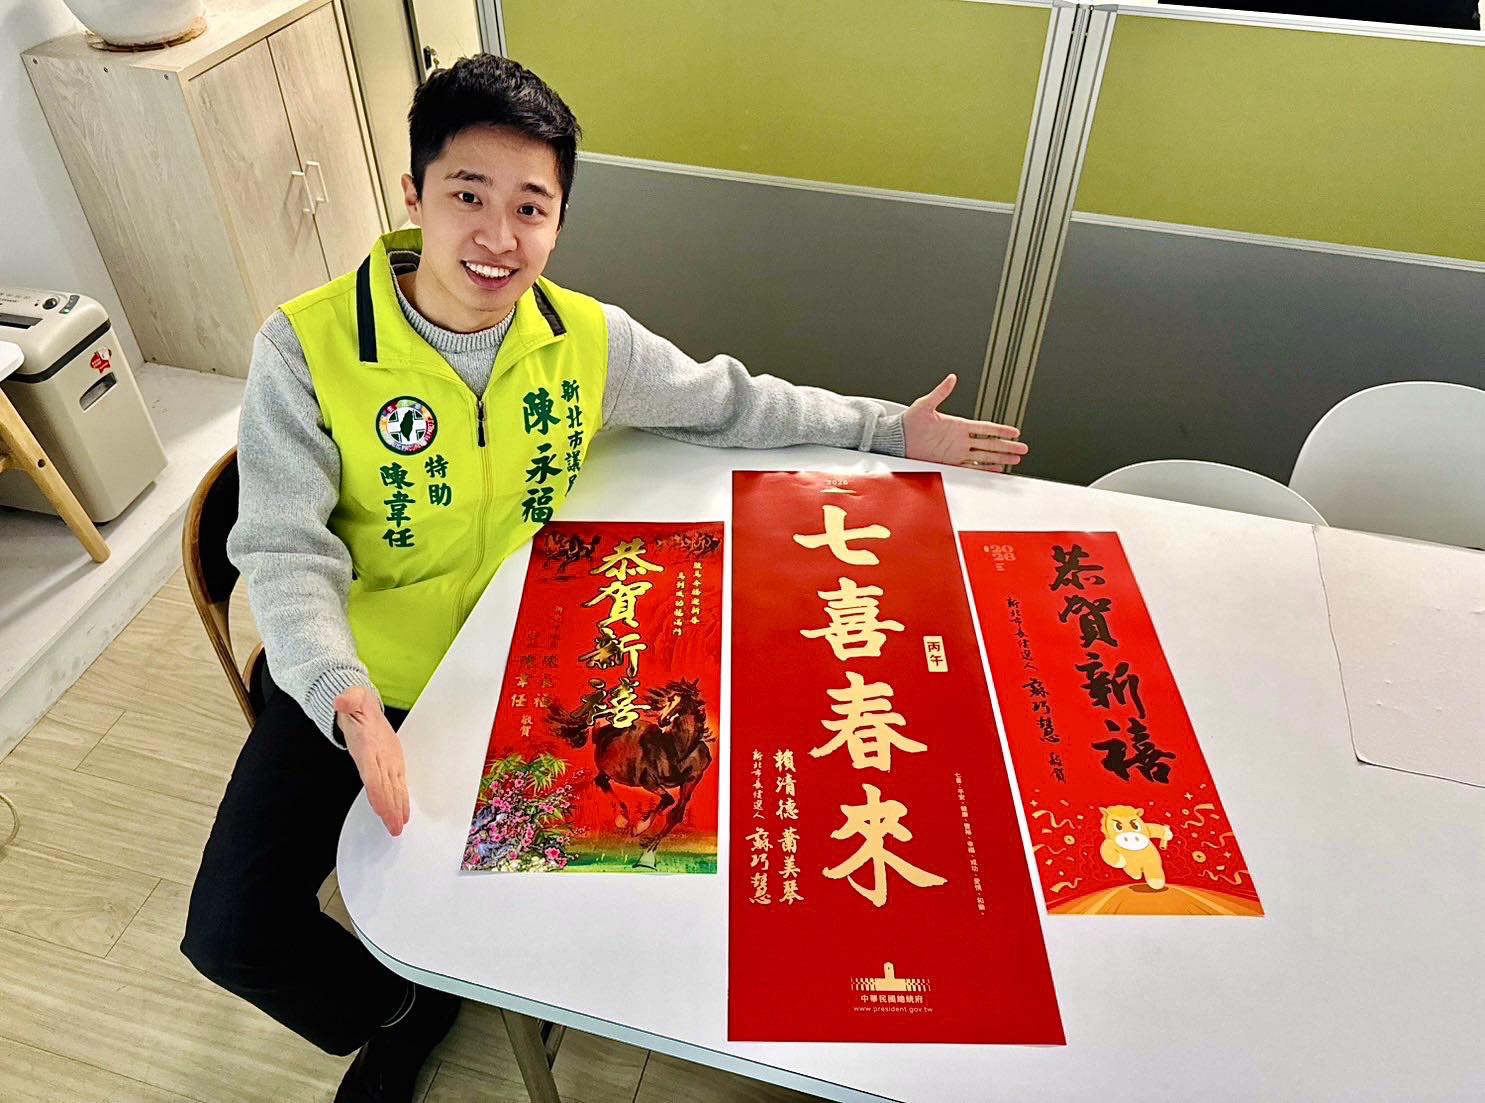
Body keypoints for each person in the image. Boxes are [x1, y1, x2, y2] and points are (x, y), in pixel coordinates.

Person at [179, 54, 1028, 1102]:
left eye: (530, 208)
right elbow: (281, 545)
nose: (499, 236)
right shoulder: (306, 346)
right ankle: (397, 1009)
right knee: (231, 931)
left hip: (535, 667)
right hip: (368, 673)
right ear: (413, 195)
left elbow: (730, 402)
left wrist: (890, 430)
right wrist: (339, 689)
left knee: (693, 838)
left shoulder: (583, 337)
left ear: (559, 221)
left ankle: (521, 994)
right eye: (468, 196)